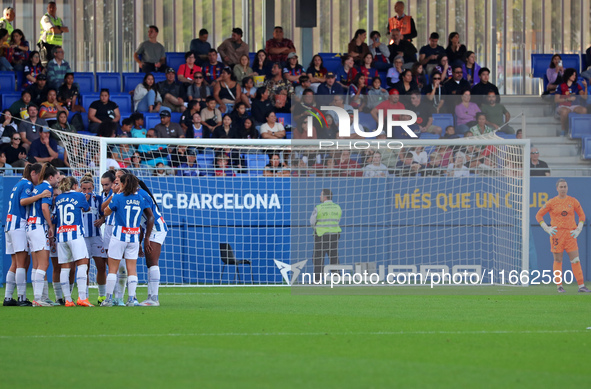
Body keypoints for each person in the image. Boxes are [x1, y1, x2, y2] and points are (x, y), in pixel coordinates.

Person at [101, 173, 154, 306]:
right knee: (132, 269)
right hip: (134, 237)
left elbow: (105, 212)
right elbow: (149, 216)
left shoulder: (118, 197)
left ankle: (108, 299)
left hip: (119, 235)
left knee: (113, 268)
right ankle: (131, 299)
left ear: (123, 184)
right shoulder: (141, 198)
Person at [3, 163, 49, 306]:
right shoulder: (28, 184)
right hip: (19, 225)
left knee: (15, 263)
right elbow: (23, 201)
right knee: (22, 263)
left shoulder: (18, 183)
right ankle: (22, 297)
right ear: (33, 173)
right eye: (39, 175)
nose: (39, 179)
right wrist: (40, 195)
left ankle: (8, 297)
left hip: (10, 224)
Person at [536, 179, 590, 293]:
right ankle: (559, 286)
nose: (563, 189)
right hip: (557, 235)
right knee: (558, 260)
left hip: (570, 234)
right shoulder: (552, 202)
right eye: (561, 187)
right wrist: (547, 228)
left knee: (575, 259)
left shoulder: (573, 201)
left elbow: (582, 216)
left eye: (565, 186)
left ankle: (581, 286)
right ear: (557, 188)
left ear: (567, 188)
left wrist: (579, 229)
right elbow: (539, 215)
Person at [53, 175, 94, 307]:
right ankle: (82, 297)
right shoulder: (79, 195)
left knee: (65, 267)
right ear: (75, 186)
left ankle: (68, 300)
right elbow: (86, 208)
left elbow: (55, 216)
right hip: (75, 233)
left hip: (61, 235)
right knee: (82, 264)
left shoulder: (58, 198)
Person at [25, 163, 58, 306]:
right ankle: (37, 299)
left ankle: (41, 297)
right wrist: (50, 226)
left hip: (30, 226)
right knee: (44, 263)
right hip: (39, 226)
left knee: (37, 264)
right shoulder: (47, 187)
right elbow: (45, 208)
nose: (58, 180)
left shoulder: (36, 187)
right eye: (57, 177)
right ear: (50, 177)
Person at [137, 180, 168, 306]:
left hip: (156, 228)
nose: (116, 181)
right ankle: (151, 296)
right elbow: (138, 224)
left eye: (118, 179)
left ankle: (154, 298)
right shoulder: (128, 195)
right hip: (147, 229)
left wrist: (146, 239)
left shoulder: (140, 194)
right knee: (148, 262)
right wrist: (139, 243)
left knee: (152, 261)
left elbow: (151, 218)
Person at [310, 189, 342, 283]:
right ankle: (337, 279)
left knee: (318, 258)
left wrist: (317, 228)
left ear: (325, 197)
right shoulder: (337, 207)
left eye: (320, 195)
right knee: (334, 257)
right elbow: (338, 220)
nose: (319, 197)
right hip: (334, 235)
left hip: (321, 235)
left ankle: (317, 280)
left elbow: (312, 222)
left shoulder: (319, 207)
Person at [555, 68, 588, 132]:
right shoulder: (561, 86)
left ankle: (579, 129)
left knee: (584, 110)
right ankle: (563, 129)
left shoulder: (577, 86)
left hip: (574, 105)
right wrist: (567, 99)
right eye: (573, 75)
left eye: (575, 75)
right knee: (565, 111)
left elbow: (585, 97)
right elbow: (556, 100)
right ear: (568, 75)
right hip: (563, 106)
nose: (574, 77)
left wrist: (586, 87)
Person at [38, 2, 69, 66]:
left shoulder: (59, 19)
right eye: (50, 7)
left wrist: (58, 28)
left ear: (56, 8)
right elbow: (53, 30)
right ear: (47, 9)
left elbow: (67, 29)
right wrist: (60, 29)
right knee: (48, 65)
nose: (52, 9)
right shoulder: (45, 18)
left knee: (57, 64)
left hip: (57, 46)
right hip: (47, 45)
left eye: (53, 7)